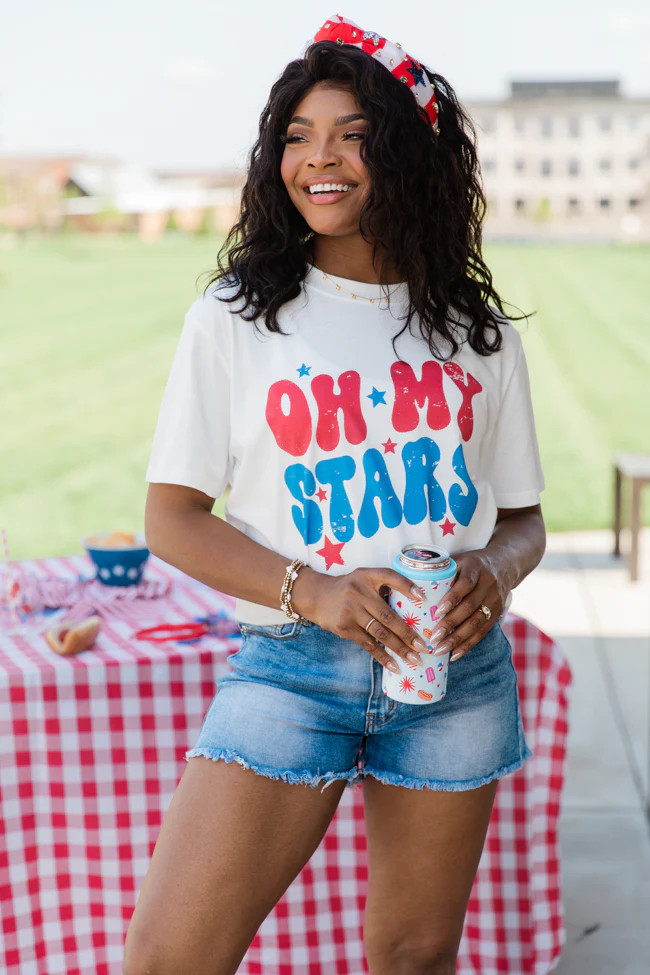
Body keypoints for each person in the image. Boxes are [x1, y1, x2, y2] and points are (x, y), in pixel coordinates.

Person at [123, 14, 546, 975]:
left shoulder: (479, 335)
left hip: (452, 675)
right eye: (299, 136)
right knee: (169, 957)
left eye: (354, 136)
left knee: (416, 956)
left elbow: (524, 518)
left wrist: (494, 568)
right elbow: (171, 518)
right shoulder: (236, 319)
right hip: (290, 670)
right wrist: (313, 591)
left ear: (408, 155)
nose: (320, 158)